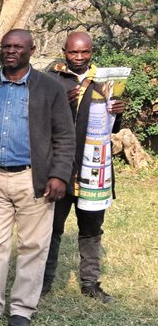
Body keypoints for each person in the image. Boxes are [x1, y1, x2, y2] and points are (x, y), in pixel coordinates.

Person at [0, 30, 75, 326]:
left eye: (18, 47)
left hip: (33, 178)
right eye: (6, 46)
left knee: (33, 246)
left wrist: (59, 174)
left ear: (31, 50)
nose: (11, 51)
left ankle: (22, 308)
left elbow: (65, 136)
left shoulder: (49, 88)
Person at [44, 31, 126, 302]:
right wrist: (62, 102)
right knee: (51, 228)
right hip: (60, 167)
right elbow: (39, 118)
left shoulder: (105, 80)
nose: (79, 57)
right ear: (64, 52)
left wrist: (118, 112)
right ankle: (44, 282)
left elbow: (111, 128)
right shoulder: (51, 79)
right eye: (73, 52)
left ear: (91, 52)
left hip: (93, 168)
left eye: (84, 52)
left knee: (91, 229)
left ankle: (90, 283)